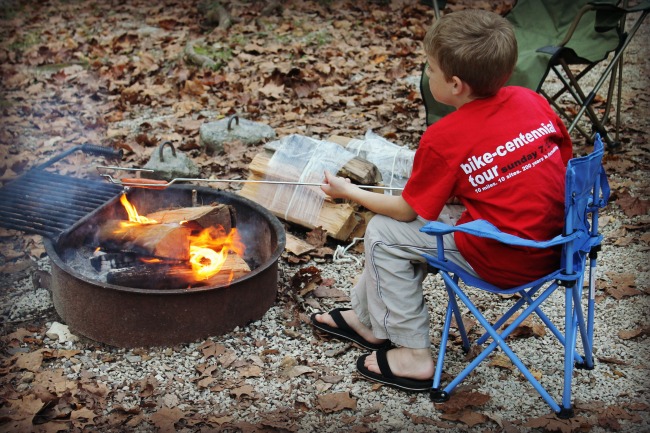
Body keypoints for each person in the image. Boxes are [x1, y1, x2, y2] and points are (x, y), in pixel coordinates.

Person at [310, 8, 573, 392]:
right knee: (415, 224)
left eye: (429, 69)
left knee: (384, 231)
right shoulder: (530, 101)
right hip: (559, 245)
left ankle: (412, 355)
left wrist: (349, 191)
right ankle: (367, 319)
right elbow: (560, 166)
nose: (426, 73)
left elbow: (406, 210)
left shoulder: (444, 136)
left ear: (454, 84)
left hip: (506, 256)